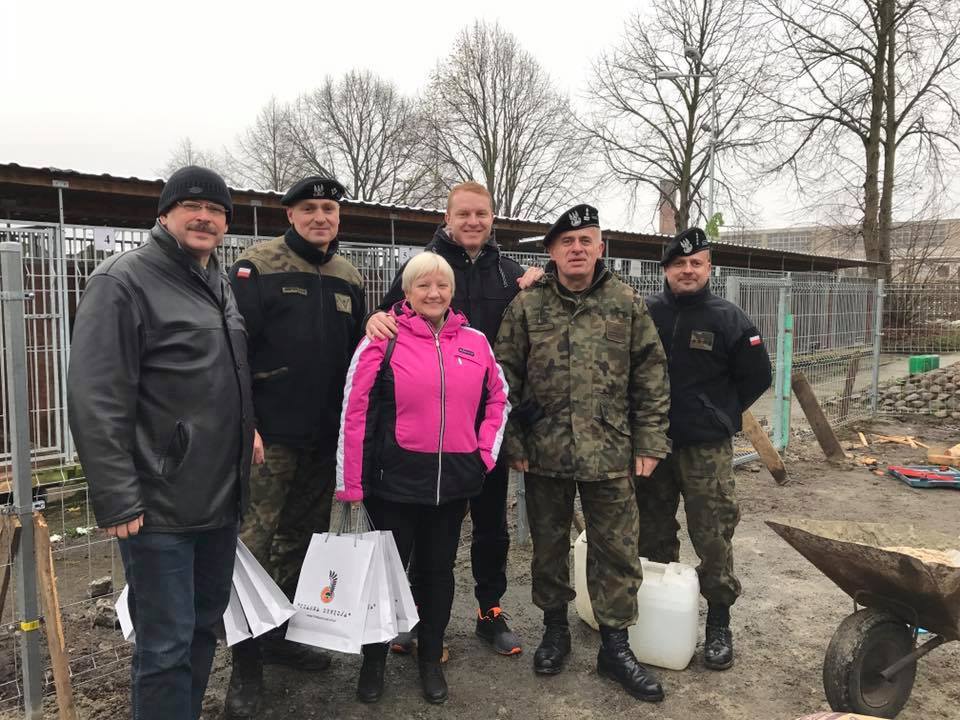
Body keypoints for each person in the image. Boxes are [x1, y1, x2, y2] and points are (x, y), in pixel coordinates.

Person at [66, 166, 255, 720]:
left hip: (220, 497)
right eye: (192, 205)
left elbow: (222, 376)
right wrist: (117, 497)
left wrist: (248, 430)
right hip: (159, 503)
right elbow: (96, 396)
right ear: (165, 214)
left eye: (216, 210)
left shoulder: (218, 283)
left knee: (202, 628)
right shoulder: (123, 282)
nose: (205, 217)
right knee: (165, 644)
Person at [494, 204, 671, 702]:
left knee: (616, 550)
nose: (576, 249)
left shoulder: (626, 302)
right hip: (543, 450)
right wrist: (513, 441)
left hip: (611, 450)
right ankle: (555, 631)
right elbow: (502, 377)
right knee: (549, 547)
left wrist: (651, 440)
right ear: (552, 251)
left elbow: (651, 375)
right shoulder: (527, 306)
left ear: (600, 248)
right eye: (566, 242)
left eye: (585, 240)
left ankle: (616, 647)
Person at [366, 182, 539, 656]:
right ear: (447, 218)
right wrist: (371, 319)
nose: (472, 222)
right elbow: (387, 319)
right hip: (427, 433)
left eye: (481, 213)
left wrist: (537, 281)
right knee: (425, 533)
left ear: (492, 218)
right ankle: (417, 620)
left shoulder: (509, 273)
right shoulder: (424, 267)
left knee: (491, 526)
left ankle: (490, 611)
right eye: (463, 214)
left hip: (485, 429)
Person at [337, 252, 509, 704]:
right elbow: (355, 412)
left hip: (452, 486)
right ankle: (373, 661)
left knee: (438, 574)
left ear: (452, 291)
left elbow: (499, 399)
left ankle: (430, 657)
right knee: (383, 577)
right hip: (393, 484)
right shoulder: (383, 339)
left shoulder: (475, 342)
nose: (434, 293)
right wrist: (350, 484)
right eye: (423, 286)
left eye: (442, 285)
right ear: (407, 292)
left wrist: (483, 455)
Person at [224, 176, 366, 717]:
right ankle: (245, 666)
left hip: (323, 437)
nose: (320, 217)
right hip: (270, 437)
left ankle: (279, 636)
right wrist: (246, 423)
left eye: (328, 208)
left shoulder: (348, 275)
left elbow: (356, 357)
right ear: (290, 215)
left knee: (301, 542)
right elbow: (234, 351)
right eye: (309, 209)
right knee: (252, 545)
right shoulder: (257, 267)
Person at [638, 227, 772, 670]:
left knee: (713, 535)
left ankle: (718, 623)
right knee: (652, 533)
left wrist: (720, 414)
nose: (688, 270)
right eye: (679, 263)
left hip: (706, 450)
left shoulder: (728, 318)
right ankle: (659, 616)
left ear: (709, 268)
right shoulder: (647, 313)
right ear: (665, 270)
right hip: (653, 445)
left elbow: (757, 376)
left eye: (696, 263)